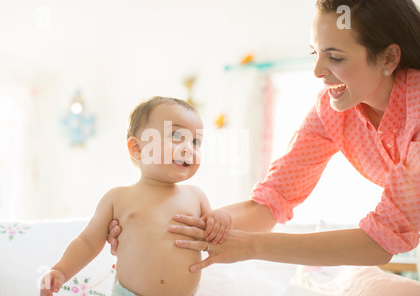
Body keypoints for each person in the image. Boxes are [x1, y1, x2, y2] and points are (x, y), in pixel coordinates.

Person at [108, 0, 420, 273]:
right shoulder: (333, 110)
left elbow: (380, 242)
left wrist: (253, 247)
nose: (317, 71)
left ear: (389, 59)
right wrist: (164, 225)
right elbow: (271, 202)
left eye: (335, 58)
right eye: (315, 53)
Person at [40, 97, 231, 296]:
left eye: (195, 142)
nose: (189, 148)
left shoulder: (196, 196)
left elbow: (217, 240)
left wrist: (222, 219)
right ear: (137, 148)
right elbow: (87, 242)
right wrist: (61, 271)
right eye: (176, 135)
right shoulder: (118, 198)